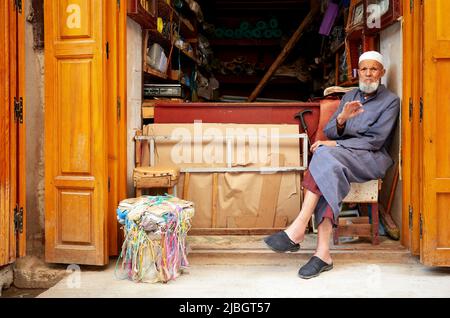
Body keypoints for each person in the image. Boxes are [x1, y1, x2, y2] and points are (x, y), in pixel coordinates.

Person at [264, 51, 400, 279]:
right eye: (364, 69)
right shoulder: (349, 97)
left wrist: (335, 145)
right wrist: (341, 119)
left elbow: (376, 141)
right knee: (328, 165)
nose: (368, 74)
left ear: (382, 72)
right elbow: (327, 131)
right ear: (358, 72)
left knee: (324, 155)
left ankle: (298, 229)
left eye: (373, 69)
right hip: (339, 157)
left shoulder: (390, 101)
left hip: (370, 158)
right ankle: (322, 253)